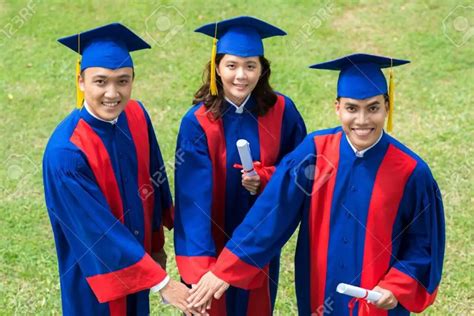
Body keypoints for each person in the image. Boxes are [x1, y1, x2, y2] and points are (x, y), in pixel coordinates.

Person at [187, 53, 445, 315]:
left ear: (387, 107)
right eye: (352, 108)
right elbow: (271, 213)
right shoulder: (315, 152)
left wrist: (396, 287)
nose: (362, 120)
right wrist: (227, 268)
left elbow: (423, 244)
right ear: (337, 107)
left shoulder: (412, 172)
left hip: (377, 301)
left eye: (373, 108)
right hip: (319, 293)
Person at [43, 23, 196, 315]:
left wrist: (156, 245)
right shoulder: (67, 153)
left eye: (122, 81)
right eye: (100, 82)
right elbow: (97, 231)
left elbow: (154, 183)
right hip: (94, 279)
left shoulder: (136, 115)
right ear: (81, 81)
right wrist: (162, 283)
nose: (112, 94)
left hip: (138, 265)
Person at [174, 16, 307, 315]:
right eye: (231, 65)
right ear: (217, 68)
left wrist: (265, 177)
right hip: (211, 245)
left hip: (260, 241)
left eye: (251, 66)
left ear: (262, 69)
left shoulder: (283, 111)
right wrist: (198, 272)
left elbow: (300, 172)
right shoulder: (197, 122)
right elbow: (191, 201)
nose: (241, 76)